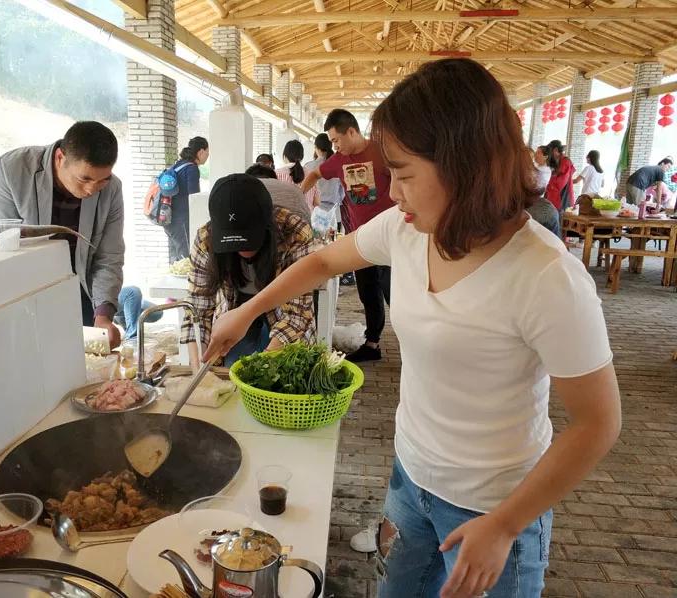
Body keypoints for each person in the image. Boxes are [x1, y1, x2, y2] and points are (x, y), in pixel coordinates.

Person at [204, 59, 621, 598]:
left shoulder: (546, 277)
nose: (392, 192)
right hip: (411, 480)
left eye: (402, 173)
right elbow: (324, 263)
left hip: (497, 506)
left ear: (464, 165)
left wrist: (506, 524)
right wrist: (246, 312)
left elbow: (597, 423)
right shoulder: (408, 230)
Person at [0, 121, 125, 348]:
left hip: (79, 290)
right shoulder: (12, 170)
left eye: (102, 180)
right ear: (60, 158)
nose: (92, 189)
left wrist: (103, 315)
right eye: (85, 179)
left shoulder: (112, 188)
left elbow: (108, 256)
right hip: (24, 295)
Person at [181, 173, 315, 368]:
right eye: (232, 239)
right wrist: (197, 365)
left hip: (285, 312)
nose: (242, 248)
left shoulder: (294, 232)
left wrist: (259, 368)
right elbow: (197, 307)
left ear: (268, 224)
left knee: (284, 375)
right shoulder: (205, 238)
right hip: (235, 308)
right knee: (231, 369)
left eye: (249, 237)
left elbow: (297, 314)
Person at [301, 109, 395, 362]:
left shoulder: (382, 151)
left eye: (336, 140)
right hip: (359, 240)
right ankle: (372, 344)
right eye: (331, 141)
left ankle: (413, 347)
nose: (335, 146)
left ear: (352, 131)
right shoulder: (338, 160)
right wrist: (300, 197)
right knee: (368, 292)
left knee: (394, 293)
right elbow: (315, 174)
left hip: (390, 238)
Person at [163, 137, 209, 263]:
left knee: (174, 259)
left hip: (169, 218)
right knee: (185, 260)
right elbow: (194, 197)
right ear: (201, 152)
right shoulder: (192, 169)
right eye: (207, 152)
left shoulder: (179, 164)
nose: (207, 156)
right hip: (182, 221)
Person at [244, 163, 311, 222]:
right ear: (275, 179)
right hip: (297, 233)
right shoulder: (295, 190)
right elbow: (307, 219)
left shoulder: (245, 188)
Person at [526, 148, 561, 237]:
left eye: (538, 153)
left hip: (533, 200)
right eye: (535, 153)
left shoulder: (544, 170)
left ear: (545, 157)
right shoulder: (534, 168)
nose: (535, 155)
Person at [276, 140, 319, 211]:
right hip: (307, 219)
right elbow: (316, 202)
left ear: (284, 156)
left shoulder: (276, 174)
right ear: (302, 157)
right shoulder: (312, 175)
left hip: (284, 219)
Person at [545, 140, 575, 216]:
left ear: (555, 150)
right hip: (554, 195)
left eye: (549, 151)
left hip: (562, 196)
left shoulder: (565, 161)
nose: (548, 154)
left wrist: (549, 182)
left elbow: (560, 182)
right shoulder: (557, 161)